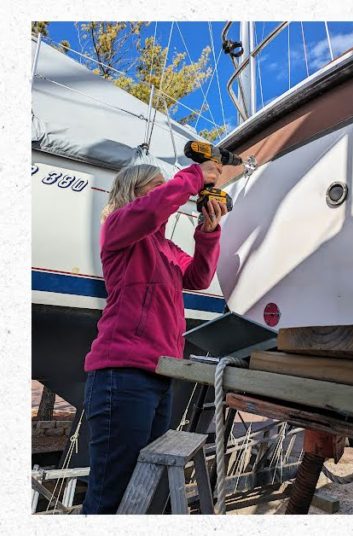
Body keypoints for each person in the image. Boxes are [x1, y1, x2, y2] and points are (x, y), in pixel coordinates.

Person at [81, 160, 228, 514]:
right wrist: (192, 177)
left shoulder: (164, 248)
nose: (167, 189)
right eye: (157, 184)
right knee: (109, 493)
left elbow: (198, 277)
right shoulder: (118, 227)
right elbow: (150, 212)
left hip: (160, 374)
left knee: (142, 486)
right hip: (122, 372)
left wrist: (208, 231)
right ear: (134, 191)